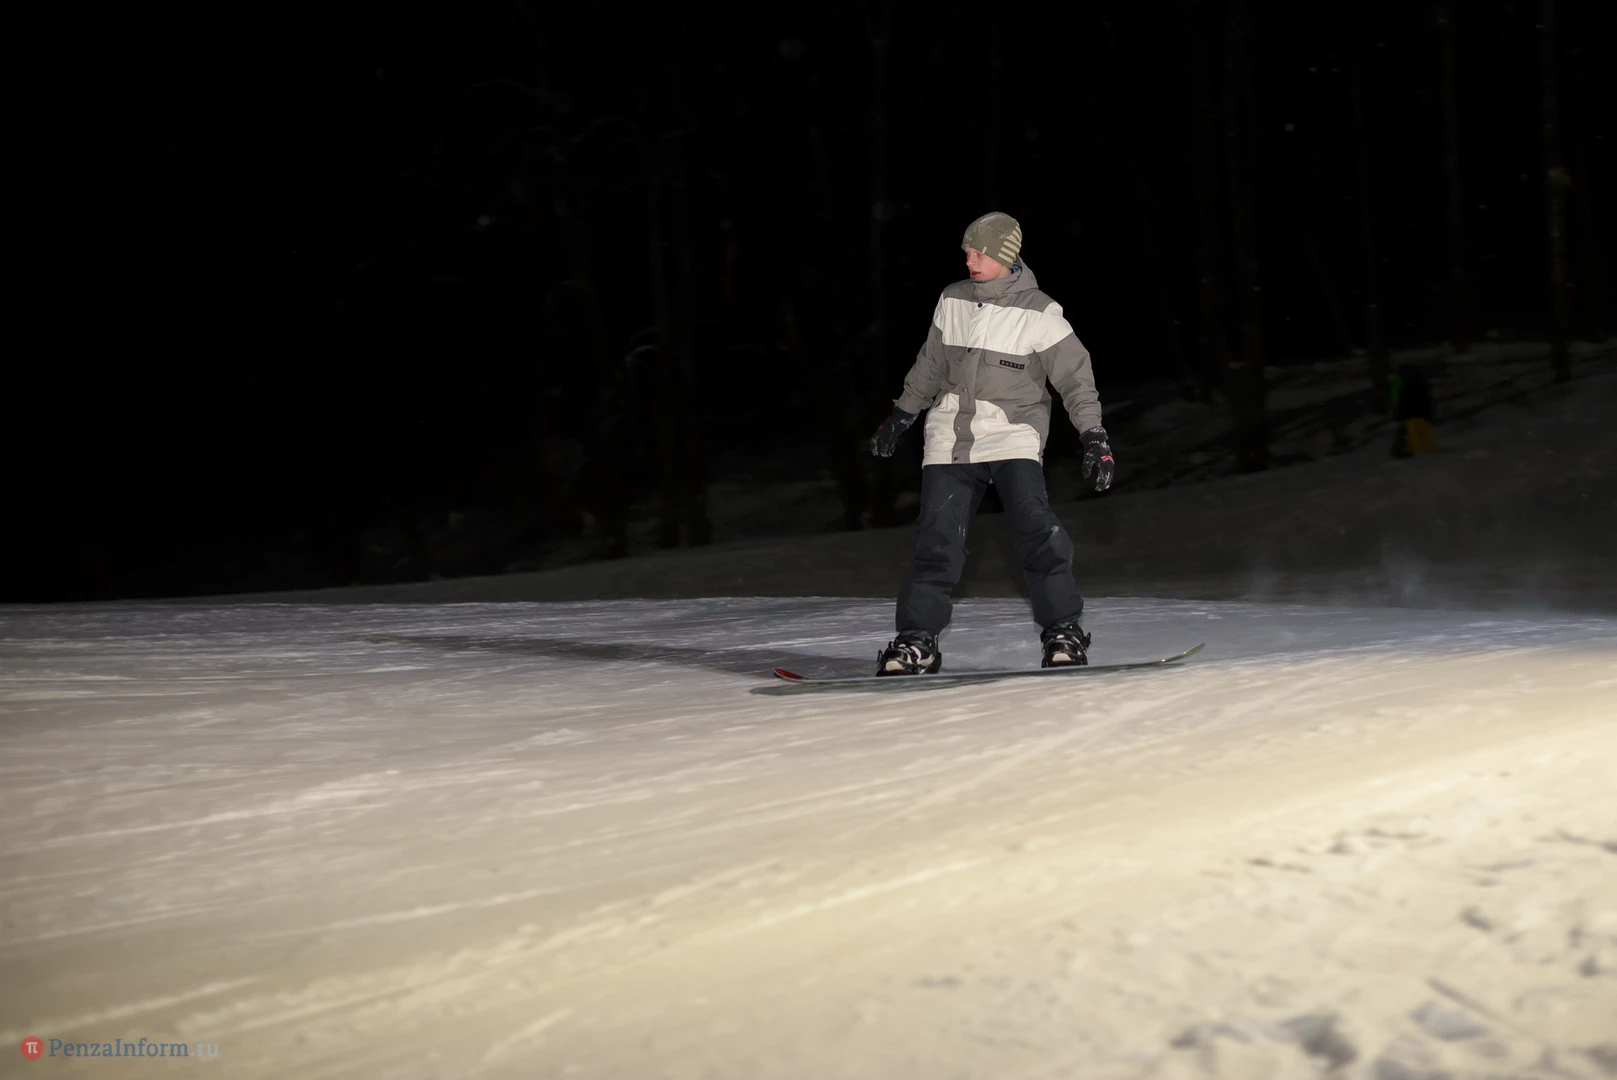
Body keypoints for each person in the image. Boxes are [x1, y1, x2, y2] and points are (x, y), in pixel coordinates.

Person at [869, 211, 1114, 676]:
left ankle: (1063, 632)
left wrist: (1093, 435)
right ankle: (917, 641)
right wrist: (902, 414)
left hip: (1012, 435)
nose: (969, 261)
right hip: (949, 438)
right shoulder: (953, 299)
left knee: (1036, 532)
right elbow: (930, 364)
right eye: (966, 252)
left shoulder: (1041, 312)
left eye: (978, 253)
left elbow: (1076, 381)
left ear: (1005, 255)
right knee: (937, 543)